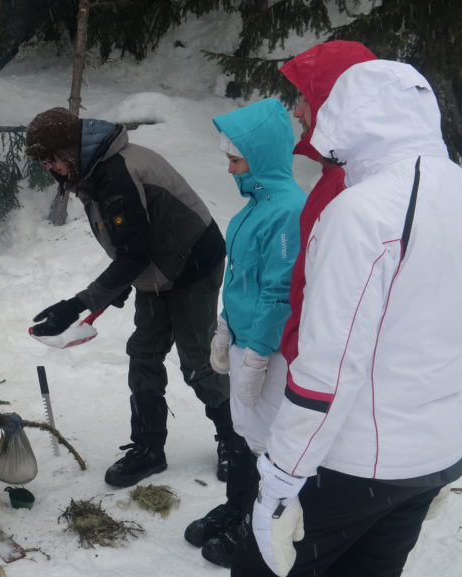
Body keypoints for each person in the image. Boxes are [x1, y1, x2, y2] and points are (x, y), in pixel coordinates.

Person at [233, 60, 462, 577]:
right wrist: (449, 439)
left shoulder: (362, 211)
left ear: (349, 117)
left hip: (350, 465)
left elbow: (329, 366)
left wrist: (279, 479)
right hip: (431, 459)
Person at [24, 107, 233, 488]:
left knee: (198, 361)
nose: (50, 168)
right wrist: (114, 289)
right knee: (143, 354)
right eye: (43, 163)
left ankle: (234, 440)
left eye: (51, 159)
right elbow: (132, 247)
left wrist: (78, 304)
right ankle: (149, 449)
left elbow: (133, 253)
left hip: (192, 265)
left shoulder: (117, 172)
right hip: (157, 266)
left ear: (70, 150)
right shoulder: (92, 172)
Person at [184, 99, 305, 568]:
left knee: (266, 442)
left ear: (263, 155)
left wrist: (257, 352)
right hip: (243, 339)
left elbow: (280, 292)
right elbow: (240, 280)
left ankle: (260, 526)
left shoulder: (288, 211)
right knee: (241, 432)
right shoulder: (256, 207)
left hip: (268, 350)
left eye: (236, 160)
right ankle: (238, 506)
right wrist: (224, 327)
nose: (231, 170)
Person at [276, 40, 376, 371]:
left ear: (333, 102)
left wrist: (303, 365)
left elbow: (337, 302)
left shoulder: (349, 186)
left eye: (305, 98)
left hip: (322, 377)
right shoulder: (335, 175)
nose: (297, 111)